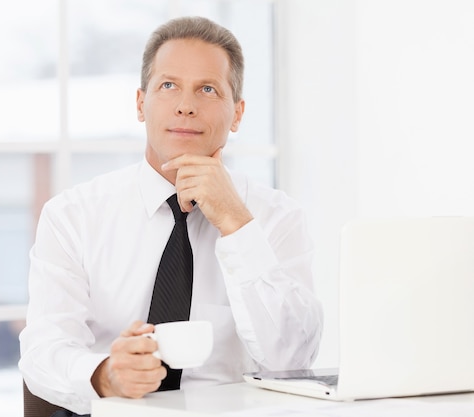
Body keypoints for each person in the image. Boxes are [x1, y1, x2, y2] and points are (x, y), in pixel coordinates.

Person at [19, 16, 323, 417]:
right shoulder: (73, 216)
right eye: (168, 86)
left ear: (237, 114)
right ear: (141, 104)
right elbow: (44, 350)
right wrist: (106, 374)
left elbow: (291, 361)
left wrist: (235, 224)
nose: (185, 105)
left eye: (208, 89)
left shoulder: (278, 218)